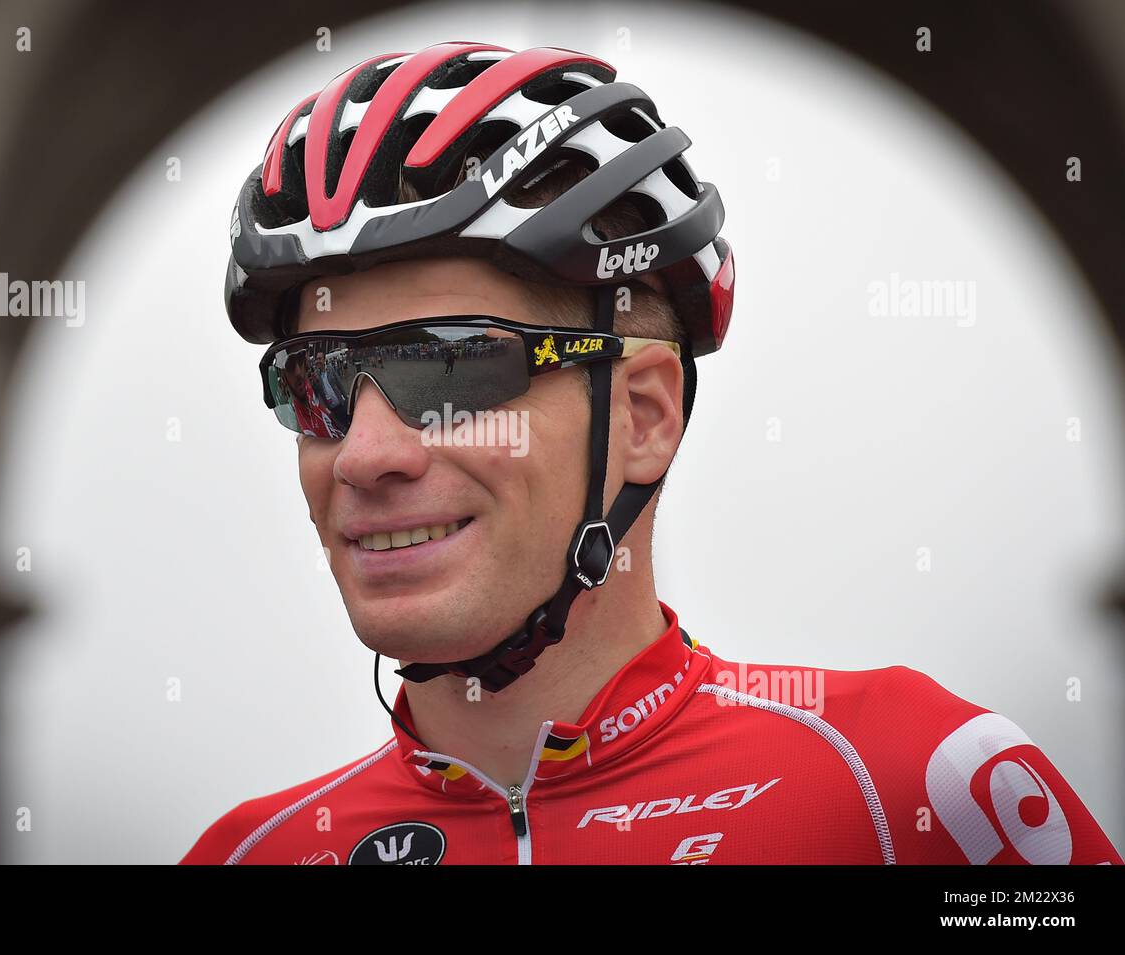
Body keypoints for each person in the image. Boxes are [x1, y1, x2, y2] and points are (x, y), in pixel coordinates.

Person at [183, 41, 1122, 865]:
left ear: (641, 416)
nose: (363, 456)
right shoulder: (244, 853)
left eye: (452, 372)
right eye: (316, 385)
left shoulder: (915, 790)